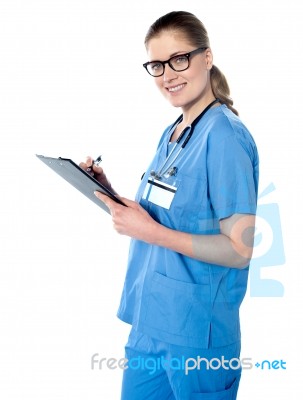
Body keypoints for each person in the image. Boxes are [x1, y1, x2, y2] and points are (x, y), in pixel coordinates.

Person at [81, 10, 259, 400]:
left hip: (197, 332)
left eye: (180, 59)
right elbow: (161, 212)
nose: (168, 75)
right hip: (150, 321)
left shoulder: (225, 137)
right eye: (158, 65)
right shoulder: (174, 131)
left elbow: (240, 249)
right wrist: (106, 190)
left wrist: (152, 232)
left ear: (206, 58)